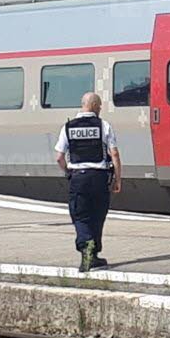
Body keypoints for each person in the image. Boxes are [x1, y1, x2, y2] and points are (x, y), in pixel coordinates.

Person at [54, 92, 122, 272]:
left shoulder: (68, 127)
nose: (100, 109)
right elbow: (114, 153)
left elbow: (59, 157)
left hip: (79, 177)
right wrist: (117, 178)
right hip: (99, 178)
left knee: (80, 216)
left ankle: (87, 253)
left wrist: (69, 172)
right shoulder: (104, 125)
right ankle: (94, 254)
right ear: (93, 106)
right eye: (99, 105)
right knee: (97, 216)